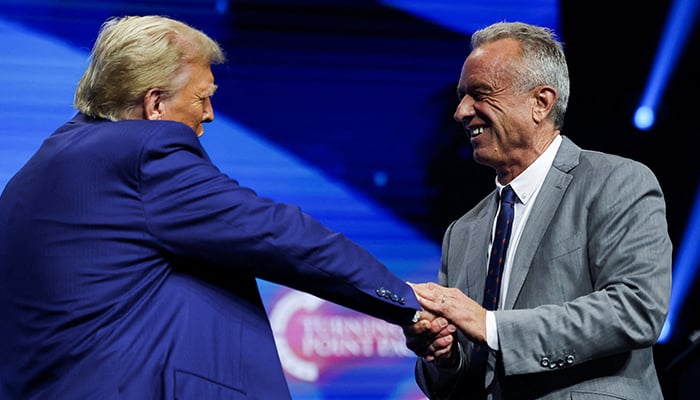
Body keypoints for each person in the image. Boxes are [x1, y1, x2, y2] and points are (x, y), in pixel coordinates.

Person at [0, 15, 446, 399]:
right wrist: (408, 303)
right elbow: (279, 235)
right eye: (201, 97)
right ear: (155, 104)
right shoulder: (142, 154)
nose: (210, 114)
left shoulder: (38, 169)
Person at [402, 21, 672, 399]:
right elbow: (458, 380)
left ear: (541, 103)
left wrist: (492, 326)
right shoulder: (461, 232)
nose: (461, 112)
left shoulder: (617, 182)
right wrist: (445, 356)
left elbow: (635, 310)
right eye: (462, 97)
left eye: (480, 94)